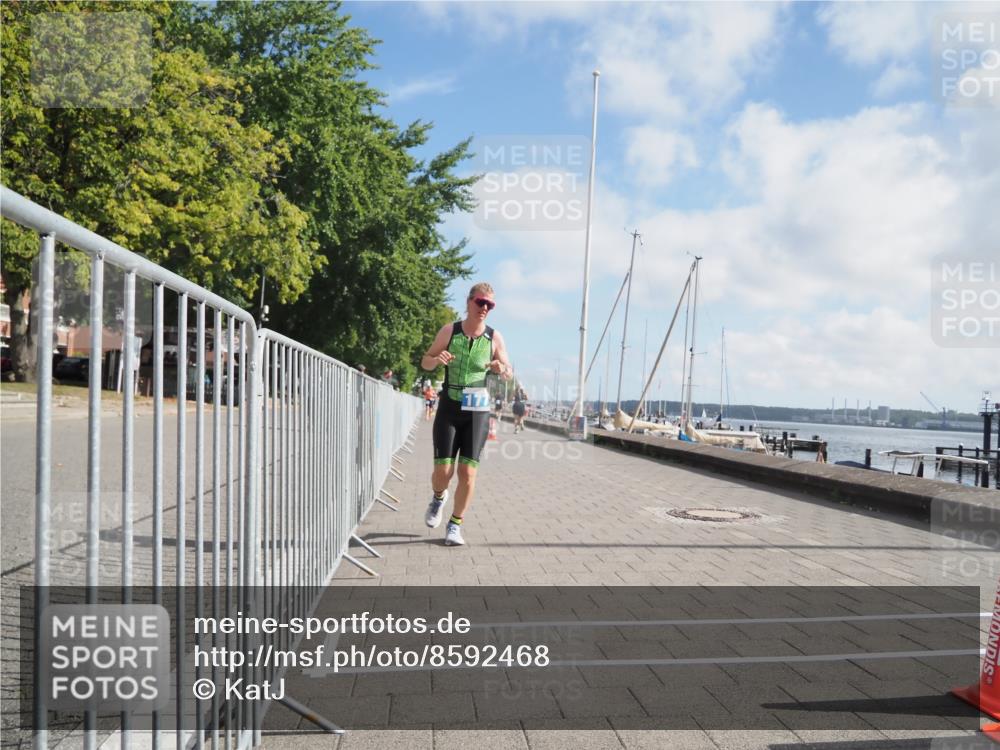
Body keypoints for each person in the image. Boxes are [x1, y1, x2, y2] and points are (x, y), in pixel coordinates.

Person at [420, 282, 511, 546]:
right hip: (449, 406)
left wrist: (499, 367)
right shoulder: (451, 330)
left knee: (468, 473)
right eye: (480, 302)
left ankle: (455, 525)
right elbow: (425, 361)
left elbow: (508, 372)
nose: (484, 308)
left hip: (477, 411)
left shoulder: (494, 337)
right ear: (469, 302)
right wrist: (437, 360)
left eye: (490, 305)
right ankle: (438, 498)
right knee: (443, 472)